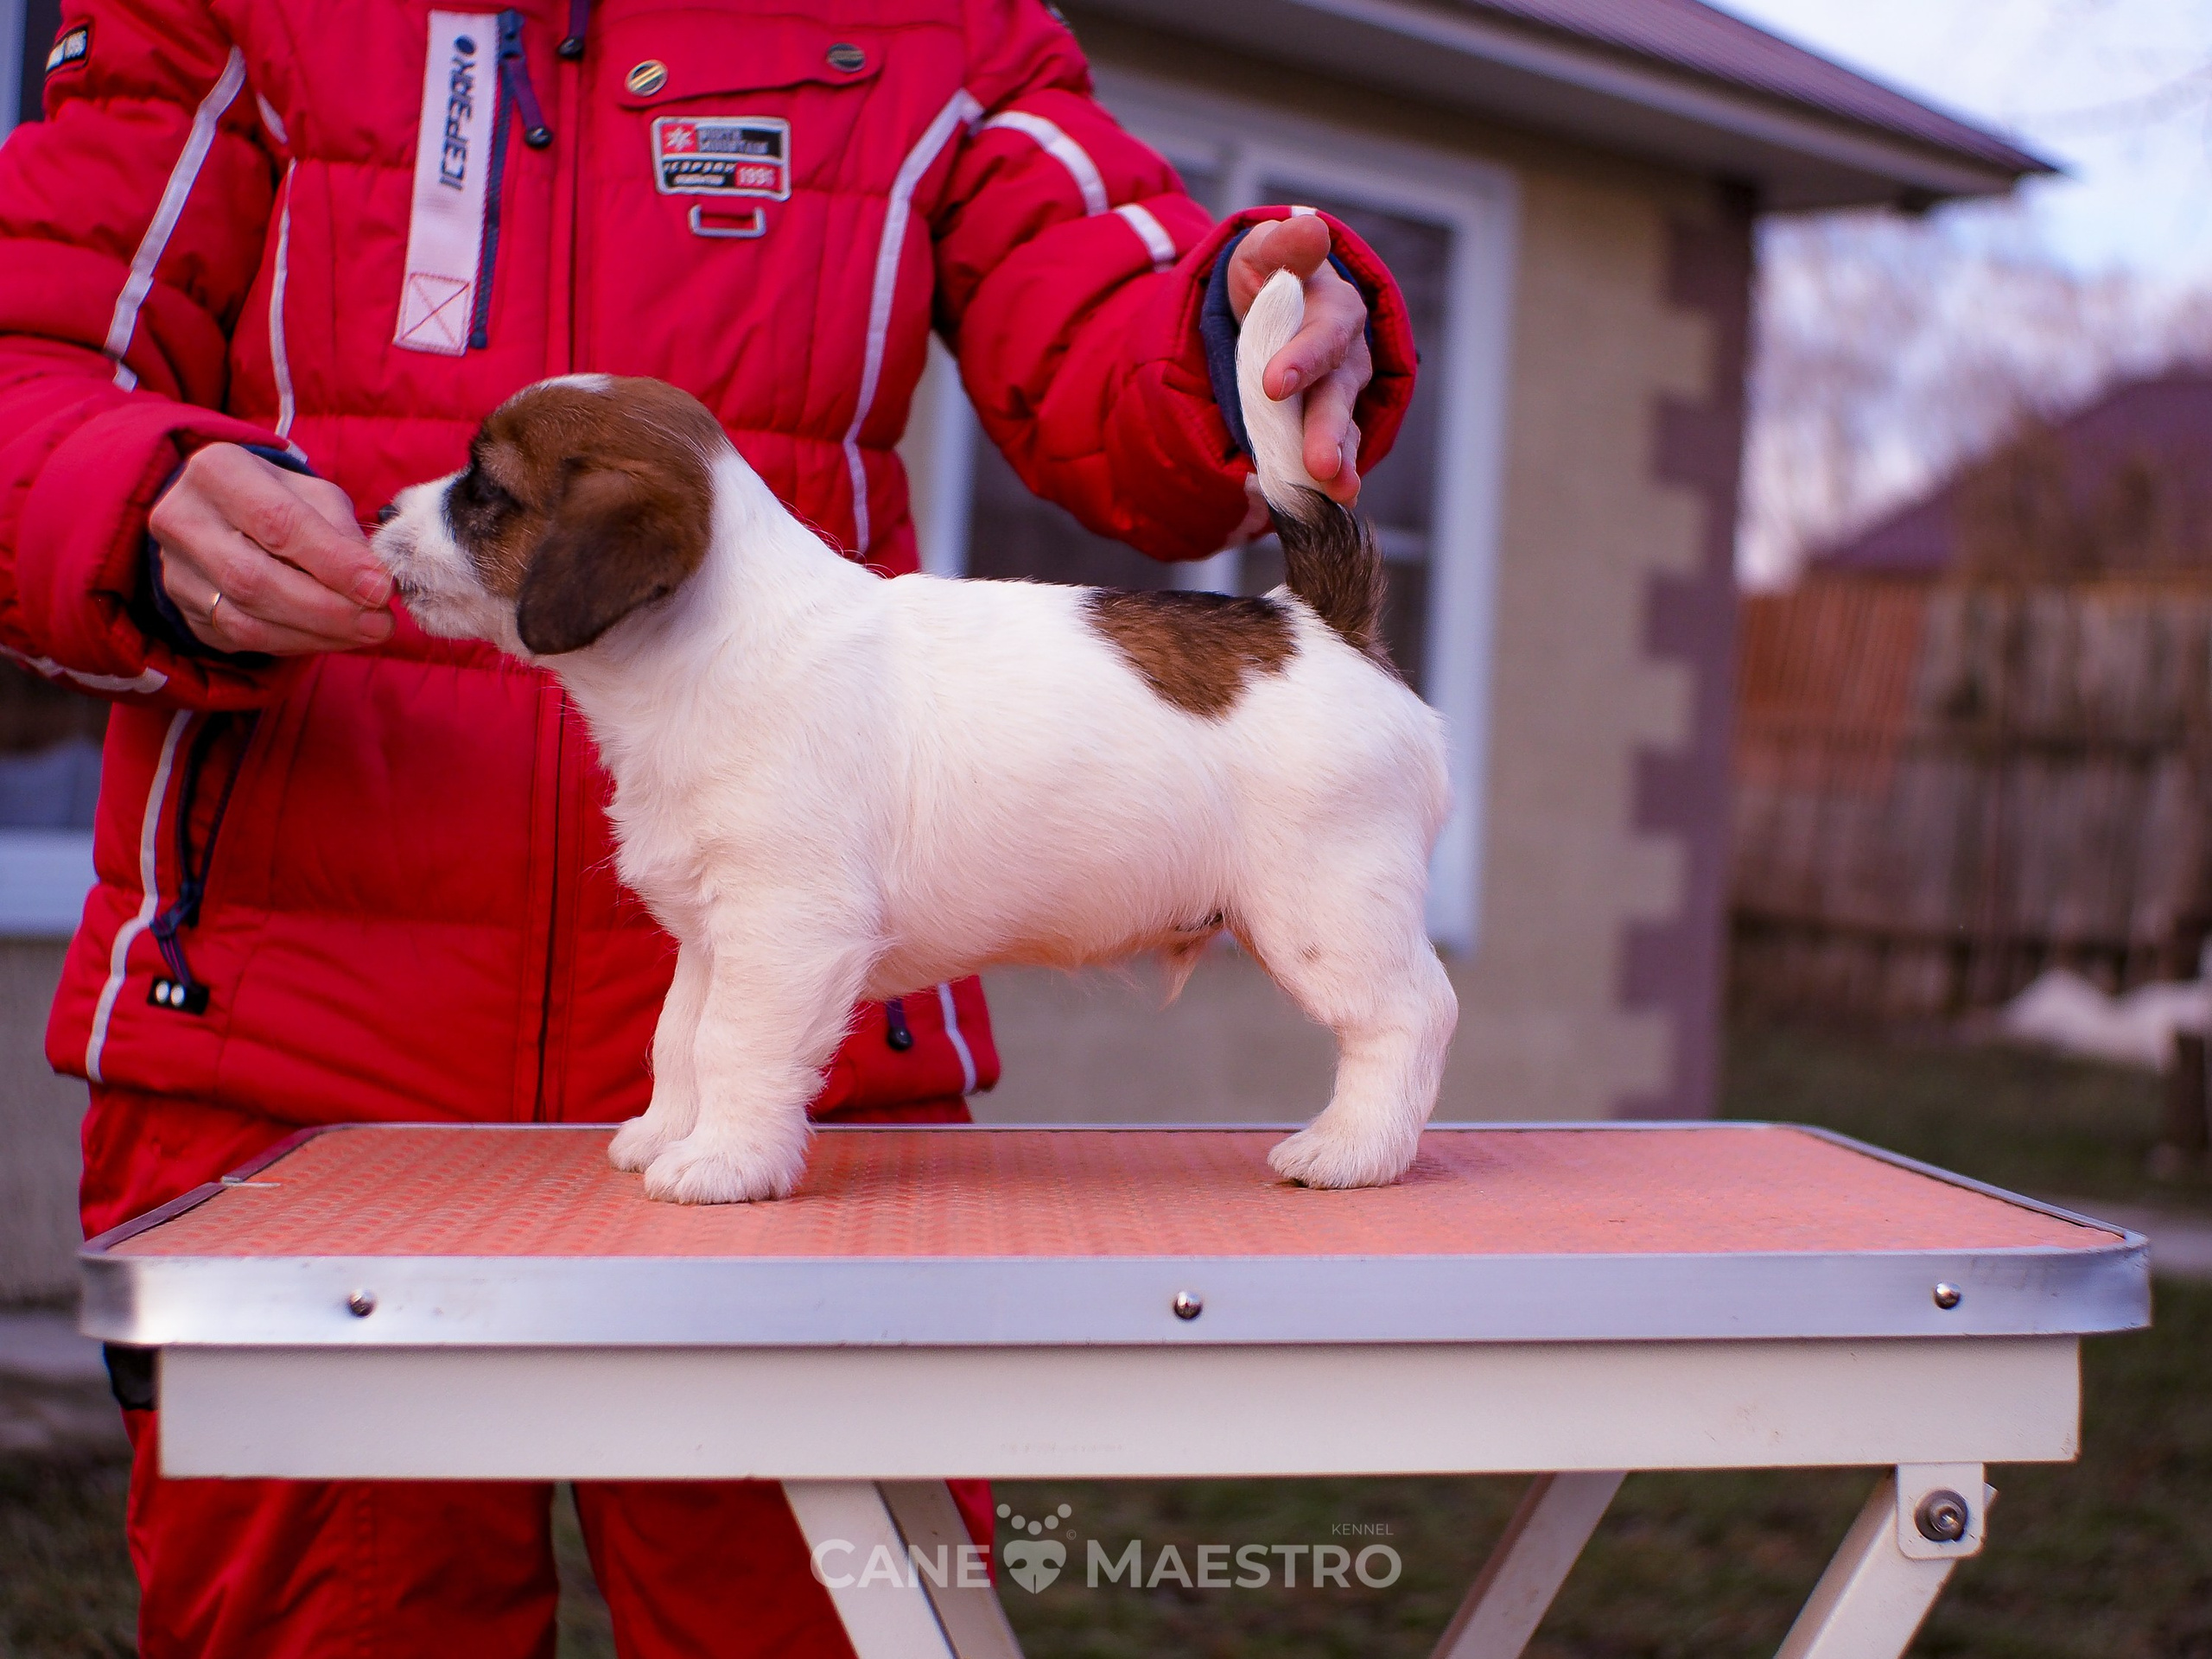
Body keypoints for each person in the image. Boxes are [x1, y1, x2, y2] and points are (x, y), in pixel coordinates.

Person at [0, 1, 1415, 1653]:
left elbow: (1102, 302)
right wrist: (123, 490)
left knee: (820, 1618)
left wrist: (1233, 334)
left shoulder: (939, 23)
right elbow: (34, 343)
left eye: (483, 501)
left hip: (831, 1118)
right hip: (296, 1061)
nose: (428, 521)